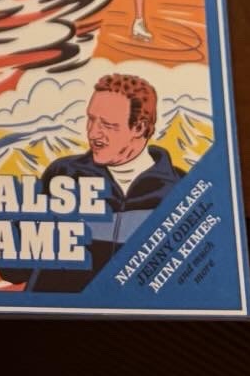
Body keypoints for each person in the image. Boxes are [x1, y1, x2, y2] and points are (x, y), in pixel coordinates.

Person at [23, 74, 179, 293]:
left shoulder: (179, 189)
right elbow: (15, 270)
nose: (92, 132)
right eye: (91, 119)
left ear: (139, 127)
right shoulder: (63, 175)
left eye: (107, 124)